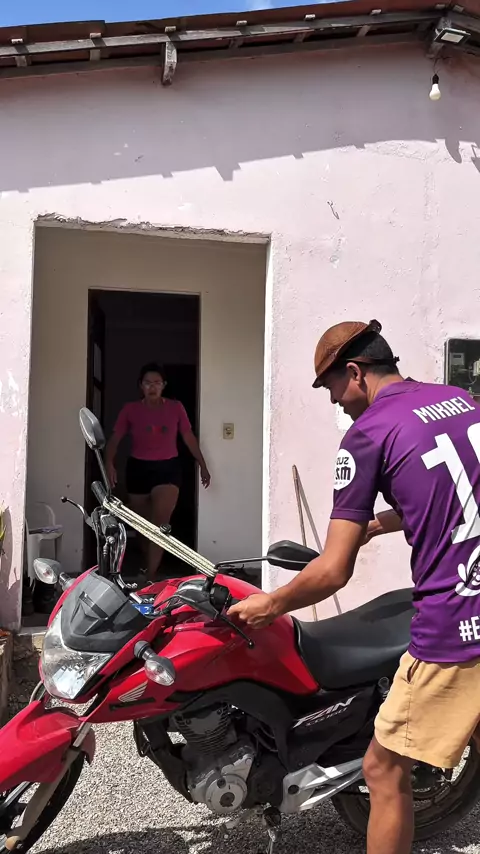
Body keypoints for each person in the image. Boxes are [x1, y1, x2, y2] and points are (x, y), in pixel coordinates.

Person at [229, 319, 480, 854]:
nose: (334, 401)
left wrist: (271, 604)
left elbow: (332, 570)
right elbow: (452, 487)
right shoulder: (459, 401)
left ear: (356, 372)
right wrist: (379, 524)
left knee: (383, 768)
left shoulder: (367, 435)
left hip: (456, 623)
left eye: (331, 387)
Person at [106, 362, 210, 581]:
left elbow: (188, 436)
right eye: (147, 383)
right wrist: (109, 464)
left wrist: (202, 463)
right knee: (142, 526)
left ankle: (150, 576)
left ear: (164, 385)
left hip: (167, 469)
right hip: (138, 469)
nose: (152, 387)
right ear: (140, 386)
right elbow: (115, 439)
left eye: (157, 383)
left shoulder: (175, 407)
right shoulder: (130, 409)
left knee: (159, 525)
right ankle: (149, 566)